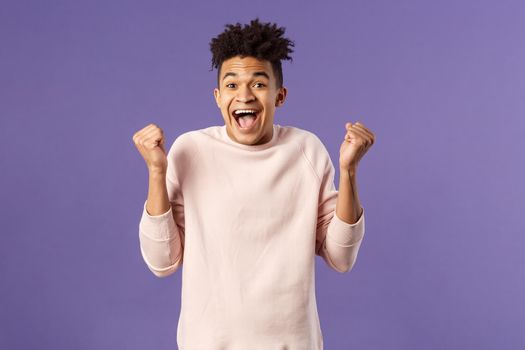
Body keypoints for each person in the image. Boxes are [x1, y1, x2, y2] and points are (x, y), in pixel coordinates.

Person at [132, 18, 375, 350]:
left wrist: (348, 171)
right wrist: (157, 172)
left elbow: (340, 257)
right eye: (231, 85)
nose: (243, 94)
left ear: (280, 95)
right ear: (218, 97)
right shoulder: (190, 151)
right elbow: (162, 261)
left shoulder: (306, 150)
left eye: (259, 84)